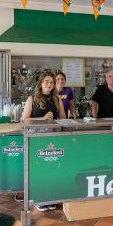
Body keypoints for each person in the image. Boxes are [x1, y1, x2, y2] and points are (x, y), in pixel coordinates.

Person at [20, 72, 65, 211]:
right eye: (47, 81)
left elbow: (63, 118)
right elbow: (25, 119)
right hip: (36, 139)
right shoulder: (31, 99)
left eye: (51, 82)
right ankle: (39, 199)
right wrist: (43, 118)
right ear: (40, 83)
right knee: (38, 169)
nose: (49, 84)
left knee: (51, 168)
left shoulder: (57, 99)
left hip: (52, 138)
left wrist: (57, 122)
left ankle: (50, 197)